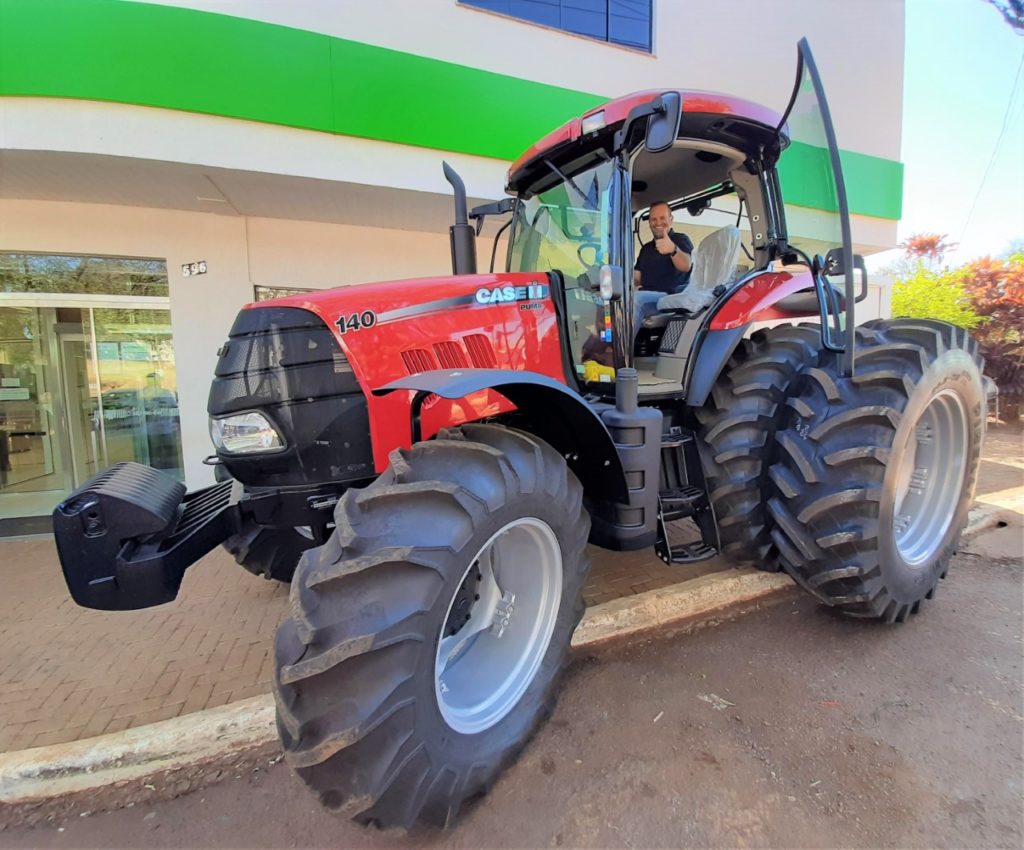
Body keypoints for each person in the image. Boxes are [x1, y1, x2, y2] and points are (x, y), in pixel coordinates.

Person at [633, 201, 693, 329]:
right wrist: (633, 286)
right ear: (649, 223)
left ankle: (620, 347)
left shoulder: (680, 240)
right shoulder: (646, 249)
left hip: (668, 298)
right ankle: (597, 344)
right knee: (606, 301)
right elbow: (637, 277)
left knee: (636, 300)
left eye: (662, 218)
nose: (658, 222)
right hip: (644, 294)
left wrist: (673, 249)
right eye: (653, 219)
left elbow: (686, 265)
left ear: (671, 219)